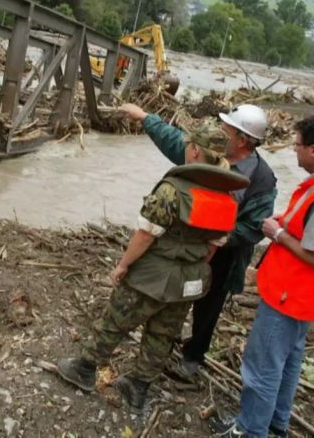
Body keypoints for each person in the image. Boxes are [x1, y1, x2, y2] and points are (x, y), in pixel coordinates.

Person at [56, 121, 250, 414]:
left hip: (153, 277)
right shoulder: (226, 198)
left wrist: (123, 266)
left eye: (188, 146)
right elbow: (214, 246)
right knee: (161, 335)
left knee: (115, 321)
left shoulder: (173, 190)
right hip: (192, 280)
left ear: (195, 150)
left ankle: (84, 368)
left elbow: (146, 234)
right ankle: (137, 388)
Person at [210, 114, 314, 438]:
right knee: (288, 362)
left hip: (293, 294)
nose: (293, 151)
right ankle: (275, 423)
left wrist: (277, 232)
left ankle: (250, 430)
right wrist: (287, 221)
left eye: (297, 145)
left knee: (262, 366)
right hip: (313, 295)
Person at [118, 102, 277, 379]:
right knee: (173, 296)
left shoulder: (261, 179)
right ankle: (159, 348)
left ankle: (193, 356)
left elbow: (254, 227)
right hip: (186, 247)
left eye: (225, 129)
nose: (219, 132)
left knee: (208, 306)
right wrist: (145, 118)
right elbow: (174, 142)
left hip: (224, 256)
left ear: (242, 140)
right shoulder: (207, 154)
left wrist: (218, 237)